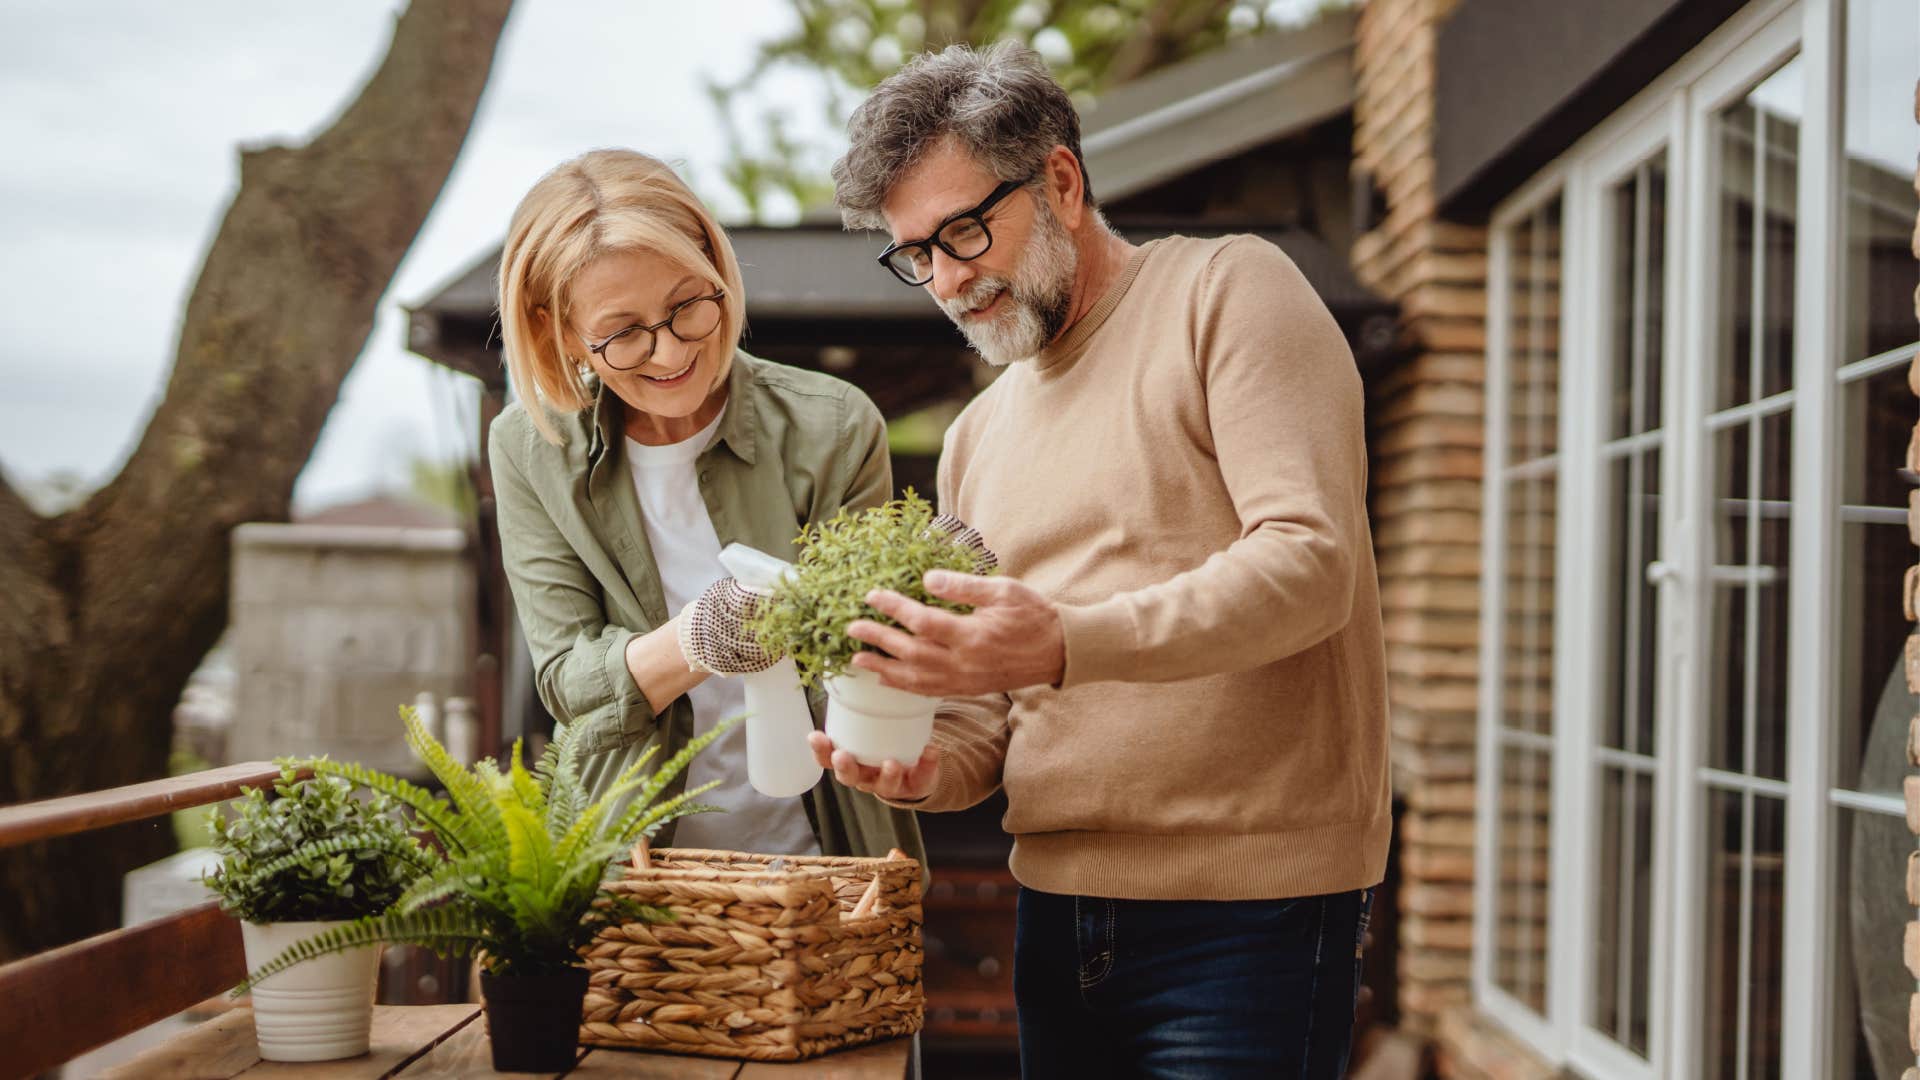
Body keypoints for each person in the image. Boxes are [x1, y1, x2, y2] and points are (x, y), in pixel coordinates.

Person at [810, 44, 1391, 1077]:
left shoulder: (1230, 291)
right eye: (916, 254)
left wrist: (1067, 640)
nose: (945, 279)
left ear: (1062, 183)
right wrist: (926, 769)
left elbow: (1310, 564)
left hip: (1249, 914)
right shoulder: (974, 439)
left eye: (964, 231)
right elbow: (990, 712)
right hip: (1057, 911)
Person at [489, 148, 920, 863]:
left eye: (688, 304)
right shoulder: (530, 448)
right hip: (626, 875)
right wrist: (696, 640)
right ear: (562, 333)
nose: (668, 353)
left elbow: (871, 662)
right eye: (624, 332)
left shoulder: (833, 425)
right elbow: (566, 680)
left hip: (827, 864)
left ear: (715, 265)